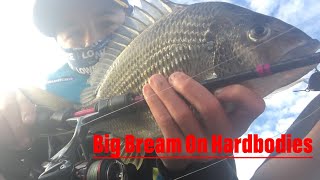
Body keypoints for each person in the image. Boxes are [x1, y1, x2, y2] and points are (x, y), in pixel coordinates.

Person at [0, 0, 265, 179]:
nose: (92, 40)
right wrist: (10, 151)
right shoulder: (35, 112)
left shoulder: (206, 97)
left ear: (131, 20)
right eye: (72, 33)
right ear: (58, 43)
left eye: (106, 23)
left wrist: (197, 166)